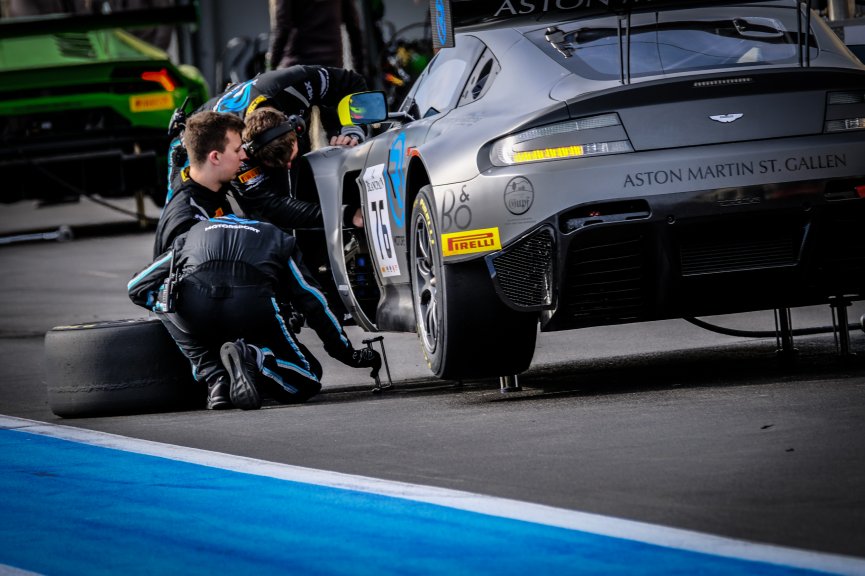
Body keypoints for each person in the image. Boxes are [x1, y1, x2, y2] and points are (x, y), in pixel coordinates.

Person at [128, 214, 382, 410]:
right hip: (251, 308)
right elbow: (312, 299)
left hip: (197, 306)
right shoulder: (277, 237)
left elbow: (137, 286)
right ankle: (255, 358)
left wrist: (169, 308)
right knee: (308, 377)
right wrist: (347, 354)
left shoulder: (193, 233)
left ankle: (216, 380)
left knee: (165, 301)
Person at [163, 64, 368, 240]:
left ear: (295, 127)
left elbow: (352, 82)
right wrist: (345, 214)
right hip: (189, 151)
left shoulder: (292, 84)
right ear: (249, 153)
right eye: (279, 165)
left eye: (290, 157)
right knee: (196, 230)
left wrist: (351, 129)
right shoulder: (240, 155)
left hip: (262, 110)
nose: (288, 165)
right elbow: (274, 208)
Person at [154, 110, 246, 257]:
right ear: (215, 157)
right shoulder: (188, 222)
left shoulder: (207, 185)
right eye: (237, 150)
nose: (244, 155)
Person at [267, 0, 365, 74]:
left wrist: (270, 67)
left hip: (297, 65)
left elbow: (282, 27)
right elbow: (353, 25)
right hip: (332, 65)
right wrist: (360, 69)